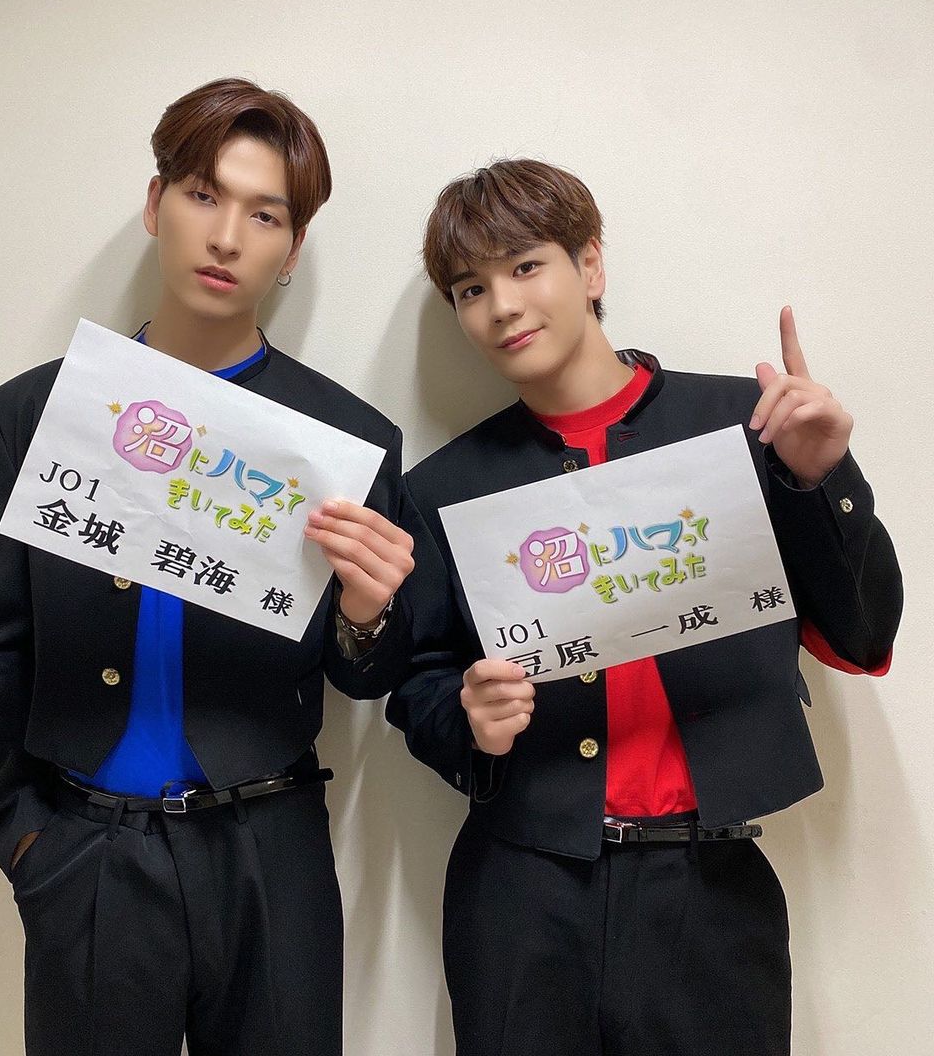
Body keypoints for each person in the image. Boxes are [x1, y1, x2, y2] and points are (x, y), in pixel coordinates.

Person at [386, 158, 902, 1055]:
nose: (501, 305)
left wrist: (825, 480)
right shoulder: (445, 490)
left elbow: (863, 638)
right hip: (521, 892)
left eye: (525, 266)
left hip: (711, 886)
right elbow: (416, 680)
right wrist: (464, 717)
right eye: (470, 289)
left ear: (591, 264)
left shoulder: (747, 426)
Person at [0, 77, 415, 1056]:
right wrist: (25, 836)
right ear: (155, 203)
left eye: (265, 215)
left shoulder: (346, 442)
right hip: (86, 850)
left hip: (271, 848)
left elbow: (368, 675)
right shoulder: (33, 416)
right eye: (204, 195)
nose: (226, 237)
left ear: (292, 248)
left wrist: (367, 614)